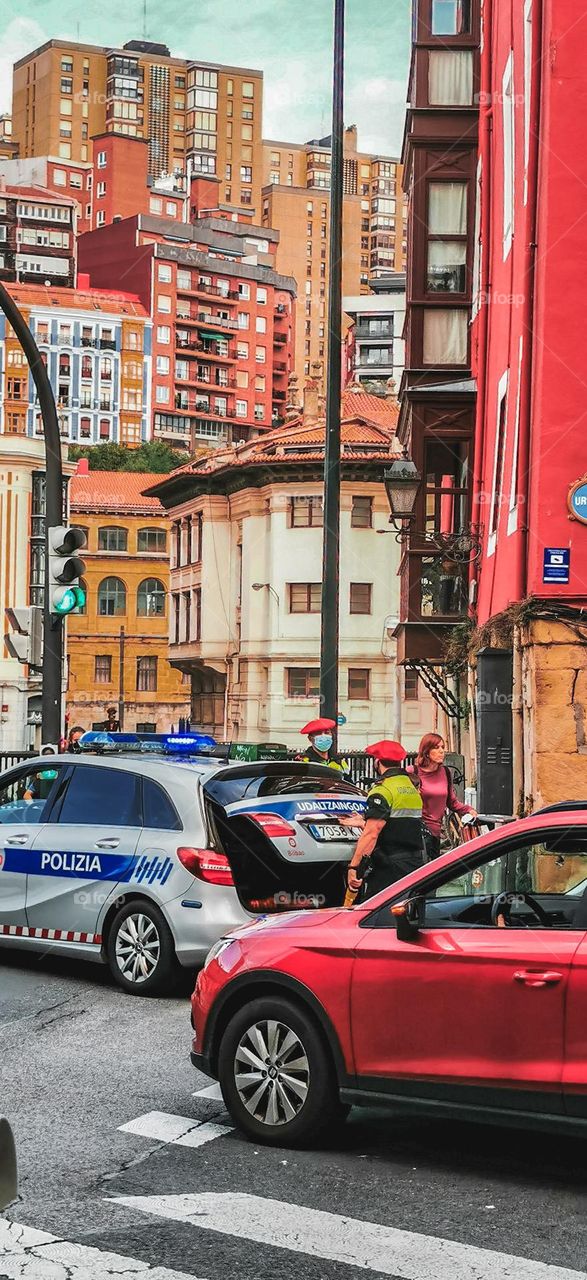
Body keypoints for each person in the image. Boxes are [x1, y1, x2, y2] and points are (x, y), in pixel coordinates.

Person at [346, 740, 424, 902]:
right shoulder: (411, 788)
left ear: (377, 762)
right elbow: (399, 821)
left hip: (389, 865)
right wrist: (363, 821)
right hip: (414, 861)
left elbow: (372, 834)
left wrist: (354, 866)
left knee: (373, 913)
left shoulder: (383, 789)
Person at [409, 732, 475, 861]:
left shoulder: (445, 772)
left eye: (442, 747)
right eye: (436, 747)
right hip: (416, 833)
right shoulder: (413, 772)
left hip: (435, 833)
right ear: (426, 751)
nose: (441, 751)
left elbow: (452, 802)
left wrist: (468, 810)